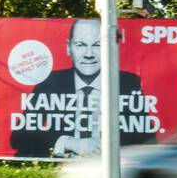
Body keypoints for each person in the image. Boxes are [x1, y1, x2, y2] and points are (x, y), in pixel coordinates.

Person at [10, 19, 151, 158]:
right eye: (80, 45)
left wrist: (110, 151)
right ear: (68, 47)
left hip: (108, 168)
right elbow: (19, 137)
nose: (89, 54)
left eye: (98, 45)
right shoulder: (50, 82)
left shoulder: (127, 83)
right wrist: (69, 143)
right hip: (63, 169)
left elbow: (146, 139)